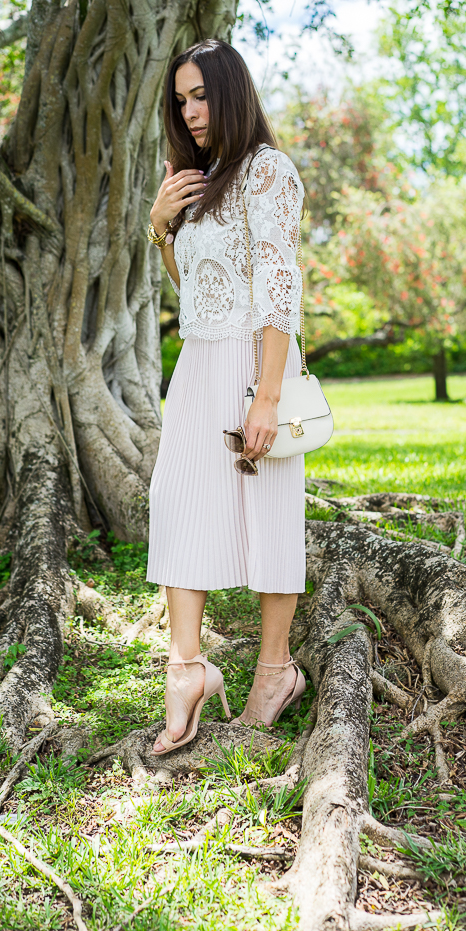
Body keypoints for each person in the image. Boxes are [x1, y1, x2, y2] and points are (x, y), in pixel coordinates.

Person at [146, 39, 307, 755]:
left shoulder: (267, 171)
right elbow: (198, 289)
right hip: (198, 362)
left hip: (253, 361)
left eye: (202, 95)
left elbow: (278, 288)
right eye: (181, 99)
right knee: (176, 501)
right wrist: (160, 229)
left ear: (231, 92)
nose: (190, 111)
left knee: (267, 512)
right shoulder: (197, 178)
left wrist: (266, 397)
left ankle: (275, 672)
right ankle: (186, 669)